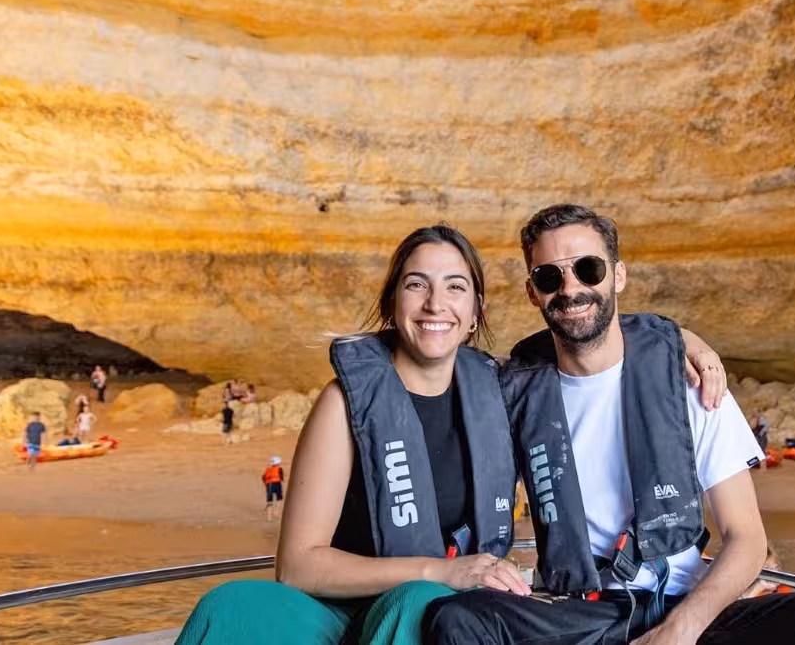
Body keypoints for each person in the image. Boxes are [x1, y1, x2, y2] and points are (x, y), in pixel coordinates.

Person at [175, 224, 727, 645]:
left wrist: (675, 337)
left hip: (428, 612)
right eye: (417, 285)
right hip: (345, 606)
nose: (436, 304)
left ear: (475, 311)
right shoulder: (344, 403)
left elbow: (587, 333)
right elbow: (297, 567)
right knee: (232, 606)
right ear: (394, 301)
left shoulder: (501, 392)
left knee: (422, 605)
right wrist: (442, 570)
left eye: (455, 287)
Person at [423, 204, 795, 645]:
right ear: (532, 292)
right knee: (458, 619)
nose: (571, 289)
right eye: (549, 277)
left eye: (588, 269)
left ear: (617, 276)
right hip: (580, 611)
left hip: (684, 605)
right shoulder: (516, 392)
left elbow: (747, 539)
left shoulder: (689, 383)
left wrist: (680, 630)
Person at [263, 455, 286, 521]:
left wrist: (266, 485)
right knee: (279, 498)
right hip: (276, 483)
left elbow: (264, 478)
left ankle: (269, 518)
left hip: (269, 485)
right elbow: (281, 478)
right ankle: (276, 511)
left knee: (269, 501)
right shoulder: (279, 469)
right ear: (278, 463)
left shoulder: (268, 470)